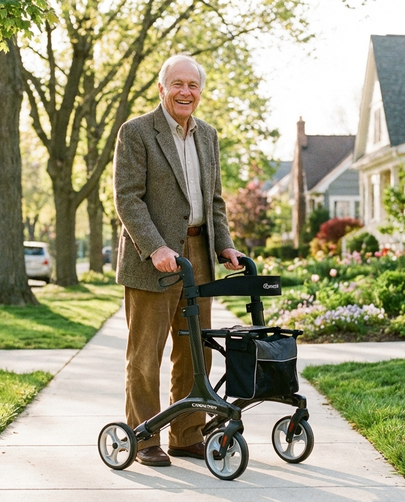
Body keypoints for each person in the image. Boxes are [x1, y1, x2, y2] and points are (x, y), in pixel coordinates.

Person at [112, 54, 246, 467]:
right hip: (152, 259)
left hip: (199, 256)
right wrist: (155, 248)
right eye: (177, 84)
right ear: (161, 88)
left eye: (193, 85)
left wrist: (224, 244)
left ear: (200, 92)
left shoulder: (208, 135)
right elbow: (128, 198)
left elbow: (215, 200)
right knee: (146, 352)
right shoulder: (136, 132)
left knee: (195, 352)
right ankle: (145, 436)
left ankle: (186, 434)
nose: (185, 92)